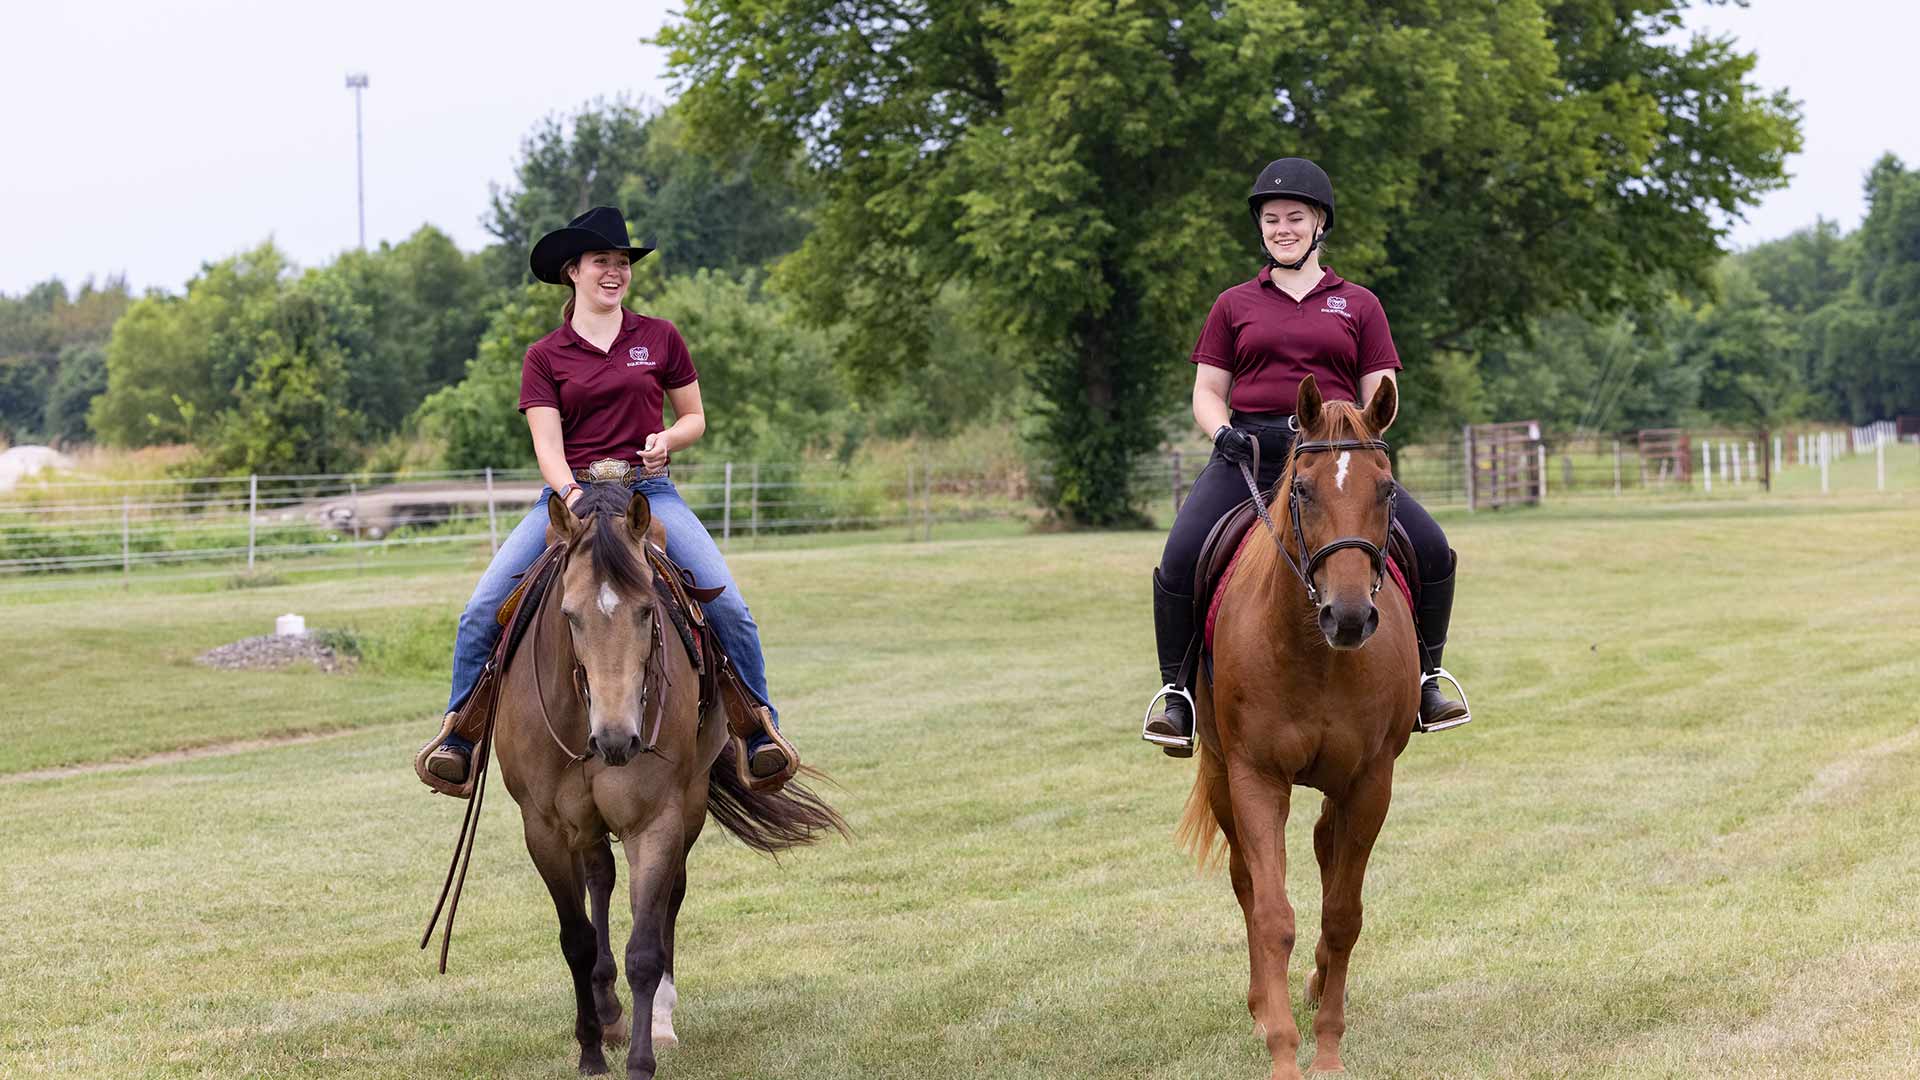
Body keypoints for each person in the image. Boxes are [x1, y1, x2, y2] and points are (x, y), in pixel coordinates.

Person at [419, 206, 794, 786]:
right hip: (572, 496)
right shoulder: (545, 356)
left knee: (730, 607)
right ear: (573, 271)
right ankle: (460, 737)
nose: (614, 272)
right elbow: (547, 442)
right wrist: (568, 492)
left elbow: (694, 418)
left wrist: (667, 438)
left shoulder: (660, 336)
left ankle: (756, 731)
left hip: (649, 495)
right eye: (602, 262)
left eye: (622, 263)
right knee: (479, 612)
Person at [1142, 158, 1471, 756]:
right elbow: (1208, 391)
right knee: (1180, 556)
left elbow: (1382, 389)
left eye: (1295, 217)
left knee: (1432, 549)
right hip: (1252, 455)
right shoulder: (1233, 304)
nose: (1282, 228)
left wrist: (1367, 435)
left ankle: (1427, 678)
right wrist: (1223, 434)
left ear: (1320, 224)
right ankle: (1177, 697)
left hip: (1336, 459)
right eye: (1272, 219)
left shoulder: (1360, 304)